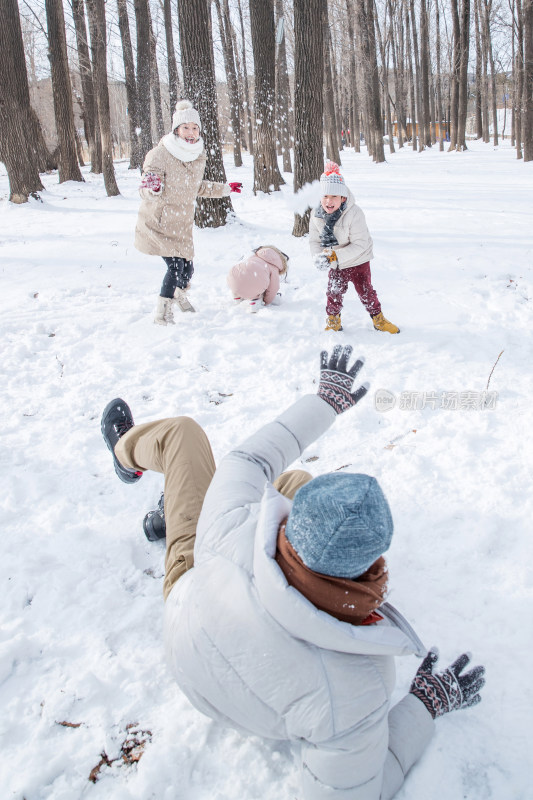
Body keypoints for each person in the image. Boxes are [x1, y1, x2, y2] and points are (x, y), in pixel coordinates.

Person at [101, 345, 485, 799]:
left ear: (290, 531)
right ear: (371, 567)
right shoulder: (359, 687)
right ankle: (165, 493)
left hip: (196, 587)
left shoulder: (228, 516)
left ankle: (138, 464)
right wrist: (423, 705)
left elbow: (251, 460)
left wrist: (325, 400)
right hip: (218, 649)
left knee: (193, 439)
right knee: (297, 481)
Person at [134, 99, 242, 325]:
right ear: (176, 130)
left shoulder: (197, 155)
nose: (191, 133)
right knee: (174, 268)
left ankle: (178, 293)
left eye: (195, 128)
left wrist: (225, 188)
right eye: (186, 128)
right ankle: (162, 313)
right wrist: (153, 188)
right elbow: (145, 191)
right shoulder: (159, 154)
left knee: (187, 270)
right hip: (159, 221)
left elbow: (197, 187)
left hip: (182, 223)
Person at [309, 161, 400, 334]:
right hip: (335, 263)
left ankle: (378, 319)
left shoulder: (354, 213)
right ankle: (333, 321)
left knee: (366, 291)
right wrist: (318, 256)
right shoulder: (316, 215)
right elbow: (314, 240)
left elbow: (360, 244)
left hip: (359, 260)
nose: (329, 201)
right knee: (333, 292)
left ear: (343, 197)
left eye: (334, 196)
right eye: (325, 196)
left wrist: (334, 256)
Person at [226, 245, 289, 312]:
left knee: (242, 278)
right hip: (255, 282)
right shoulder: (274, 267)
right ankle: (255, 302)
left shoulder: (255, 256)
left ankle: (236, 296)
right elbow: (273, 288)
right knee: (257, 283)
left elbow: (247, 273)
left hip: (233, 278)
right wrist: (266, 301)